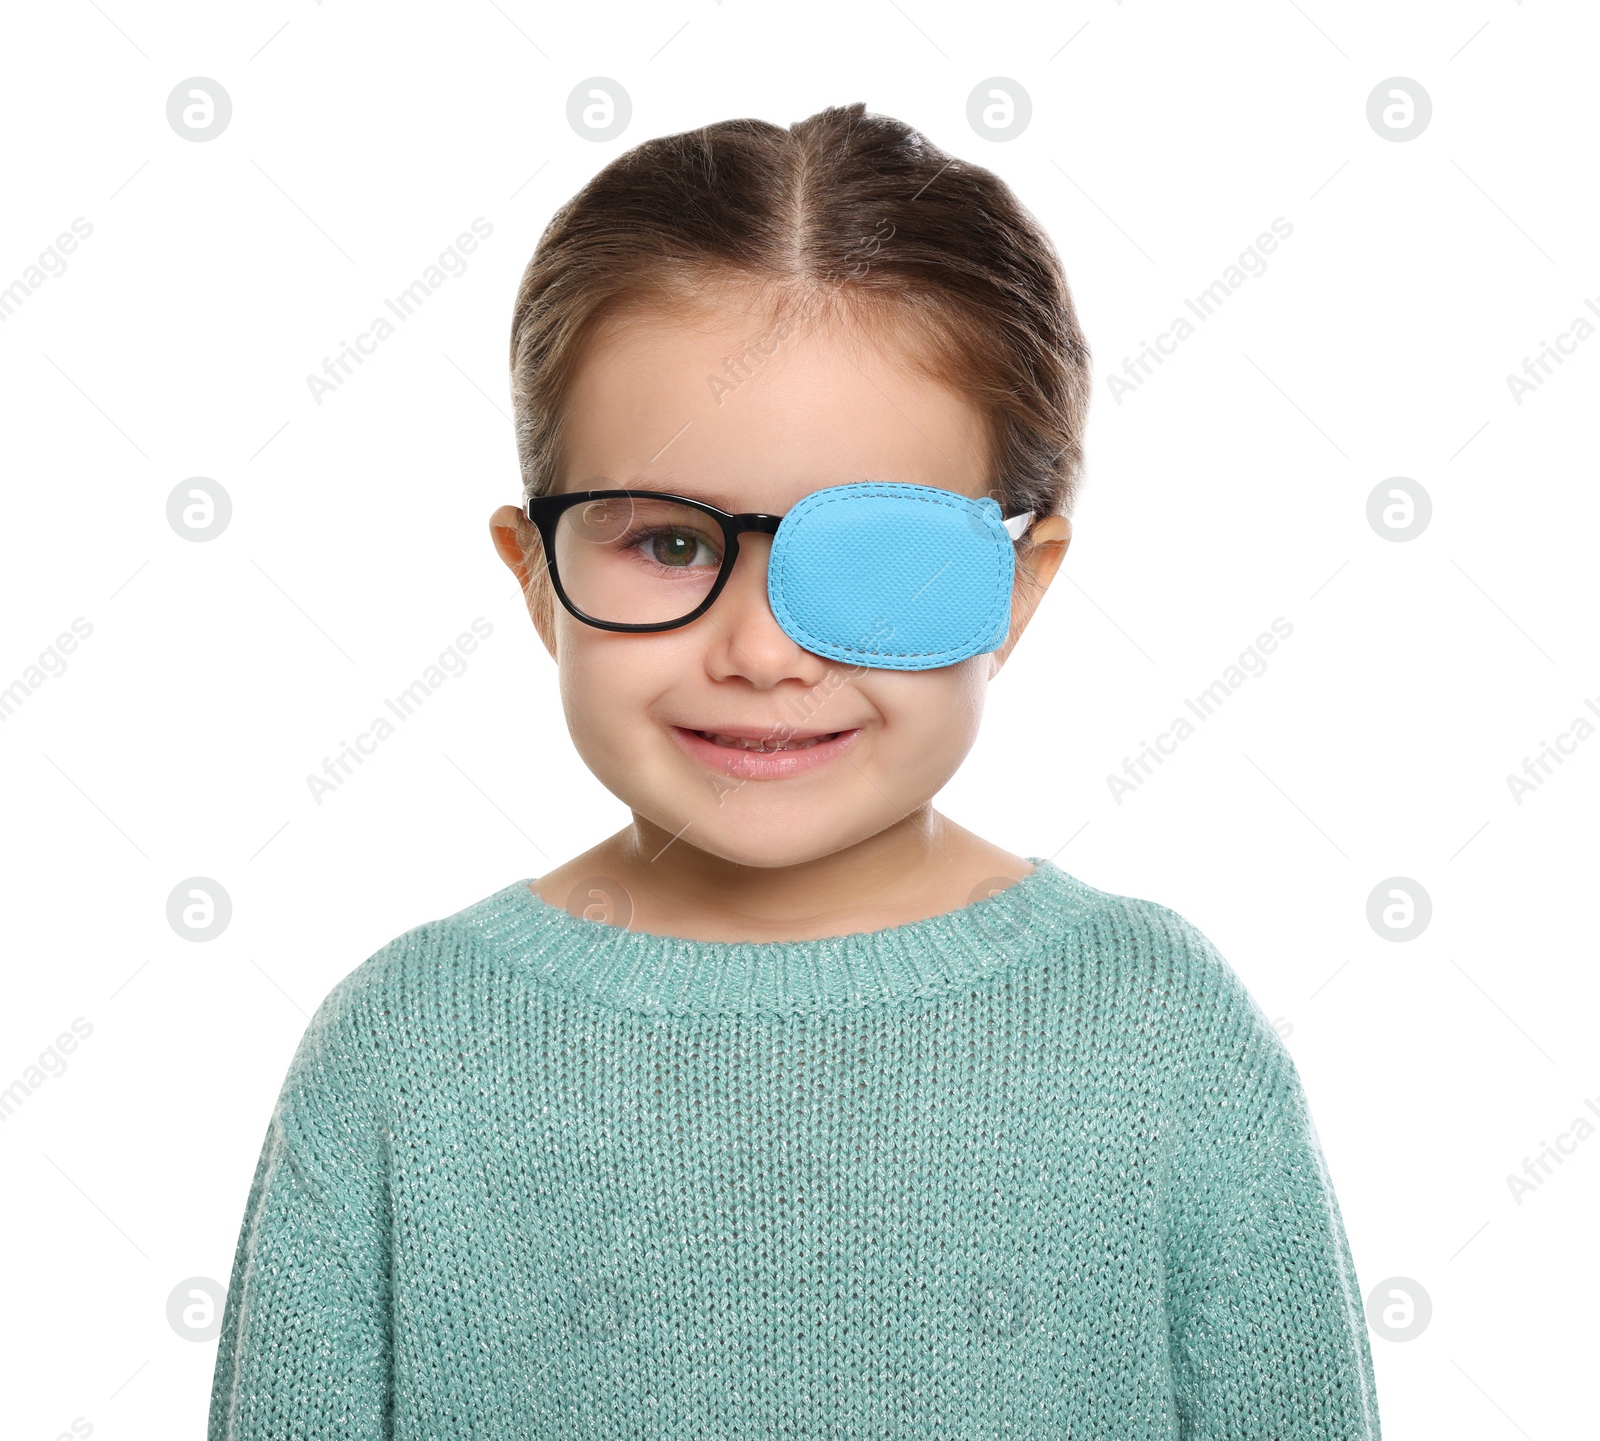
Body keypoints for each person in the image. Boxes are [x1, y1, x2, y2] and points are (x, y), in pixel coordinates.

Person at [207, 102, 1382, 1438]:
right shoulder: (402, 1056)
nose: (761, 649)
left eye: (872, 559)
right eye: (663, 542)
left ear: (1016, 586)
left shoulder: (1160, 1037)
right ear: (536, 577)